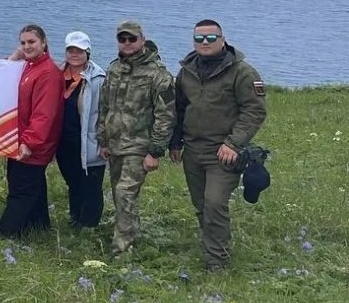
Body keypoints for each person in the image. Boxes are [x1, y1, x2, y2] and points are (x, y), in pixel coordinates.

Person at [170, 19, 268, 271]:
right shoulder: (187, 71)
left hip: (223, 152)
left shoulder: (242, 72)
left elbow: (254, 111)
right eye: (199, 38)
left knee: (215, 203)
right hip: (193, 149)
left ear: (223, 40)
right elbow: (179, 109)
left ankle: (218, 262)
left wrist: (233, 144)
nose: (205, 43)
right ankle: (211, 243)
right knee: (202, 204)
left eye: (211, 38)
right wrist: (175, 142)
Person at [97, 21, 175, 254]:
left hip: (139, 146)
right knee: (120, 194)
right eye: (123, 39)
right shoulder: (113, 70)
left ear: (142, 40)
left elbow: (166, 115)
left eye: (132, 39)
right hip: (115, 144)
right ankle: (128, 229)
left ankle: (122, 247)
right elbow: (104, 106)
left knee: (124, 192)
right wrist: (103, 139)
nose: (127, 43)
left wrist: (155, 151)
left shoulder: (158, 74)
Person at [0, 24, 63, 237]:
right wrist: (14, 57)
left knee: (20, 191)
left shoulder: (48, 73)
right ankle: (39, 226)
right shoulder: (29, 66)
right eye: (23, 43)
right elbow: (5, 75)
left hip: (32, 145)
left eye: (32, 42)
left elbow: (44, 114)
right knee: (35, 185)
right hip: (21, 139)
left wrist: (29, 142)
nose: (27, 46)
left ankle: (6, 233)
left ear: (44, 43)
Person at [55, 31, 107, 229]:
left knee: (91, 186)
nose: (74, 54)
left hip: (90, 140)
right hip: (63, 141)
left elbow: (106, 111)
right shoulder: (58, 74)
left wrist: (105, 141)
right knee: (73, 182)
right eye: (70, 50)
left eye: (79, 50)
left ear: (88, 52)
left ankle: (89, 227)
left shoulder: (98, 78)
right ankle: (75, 219)